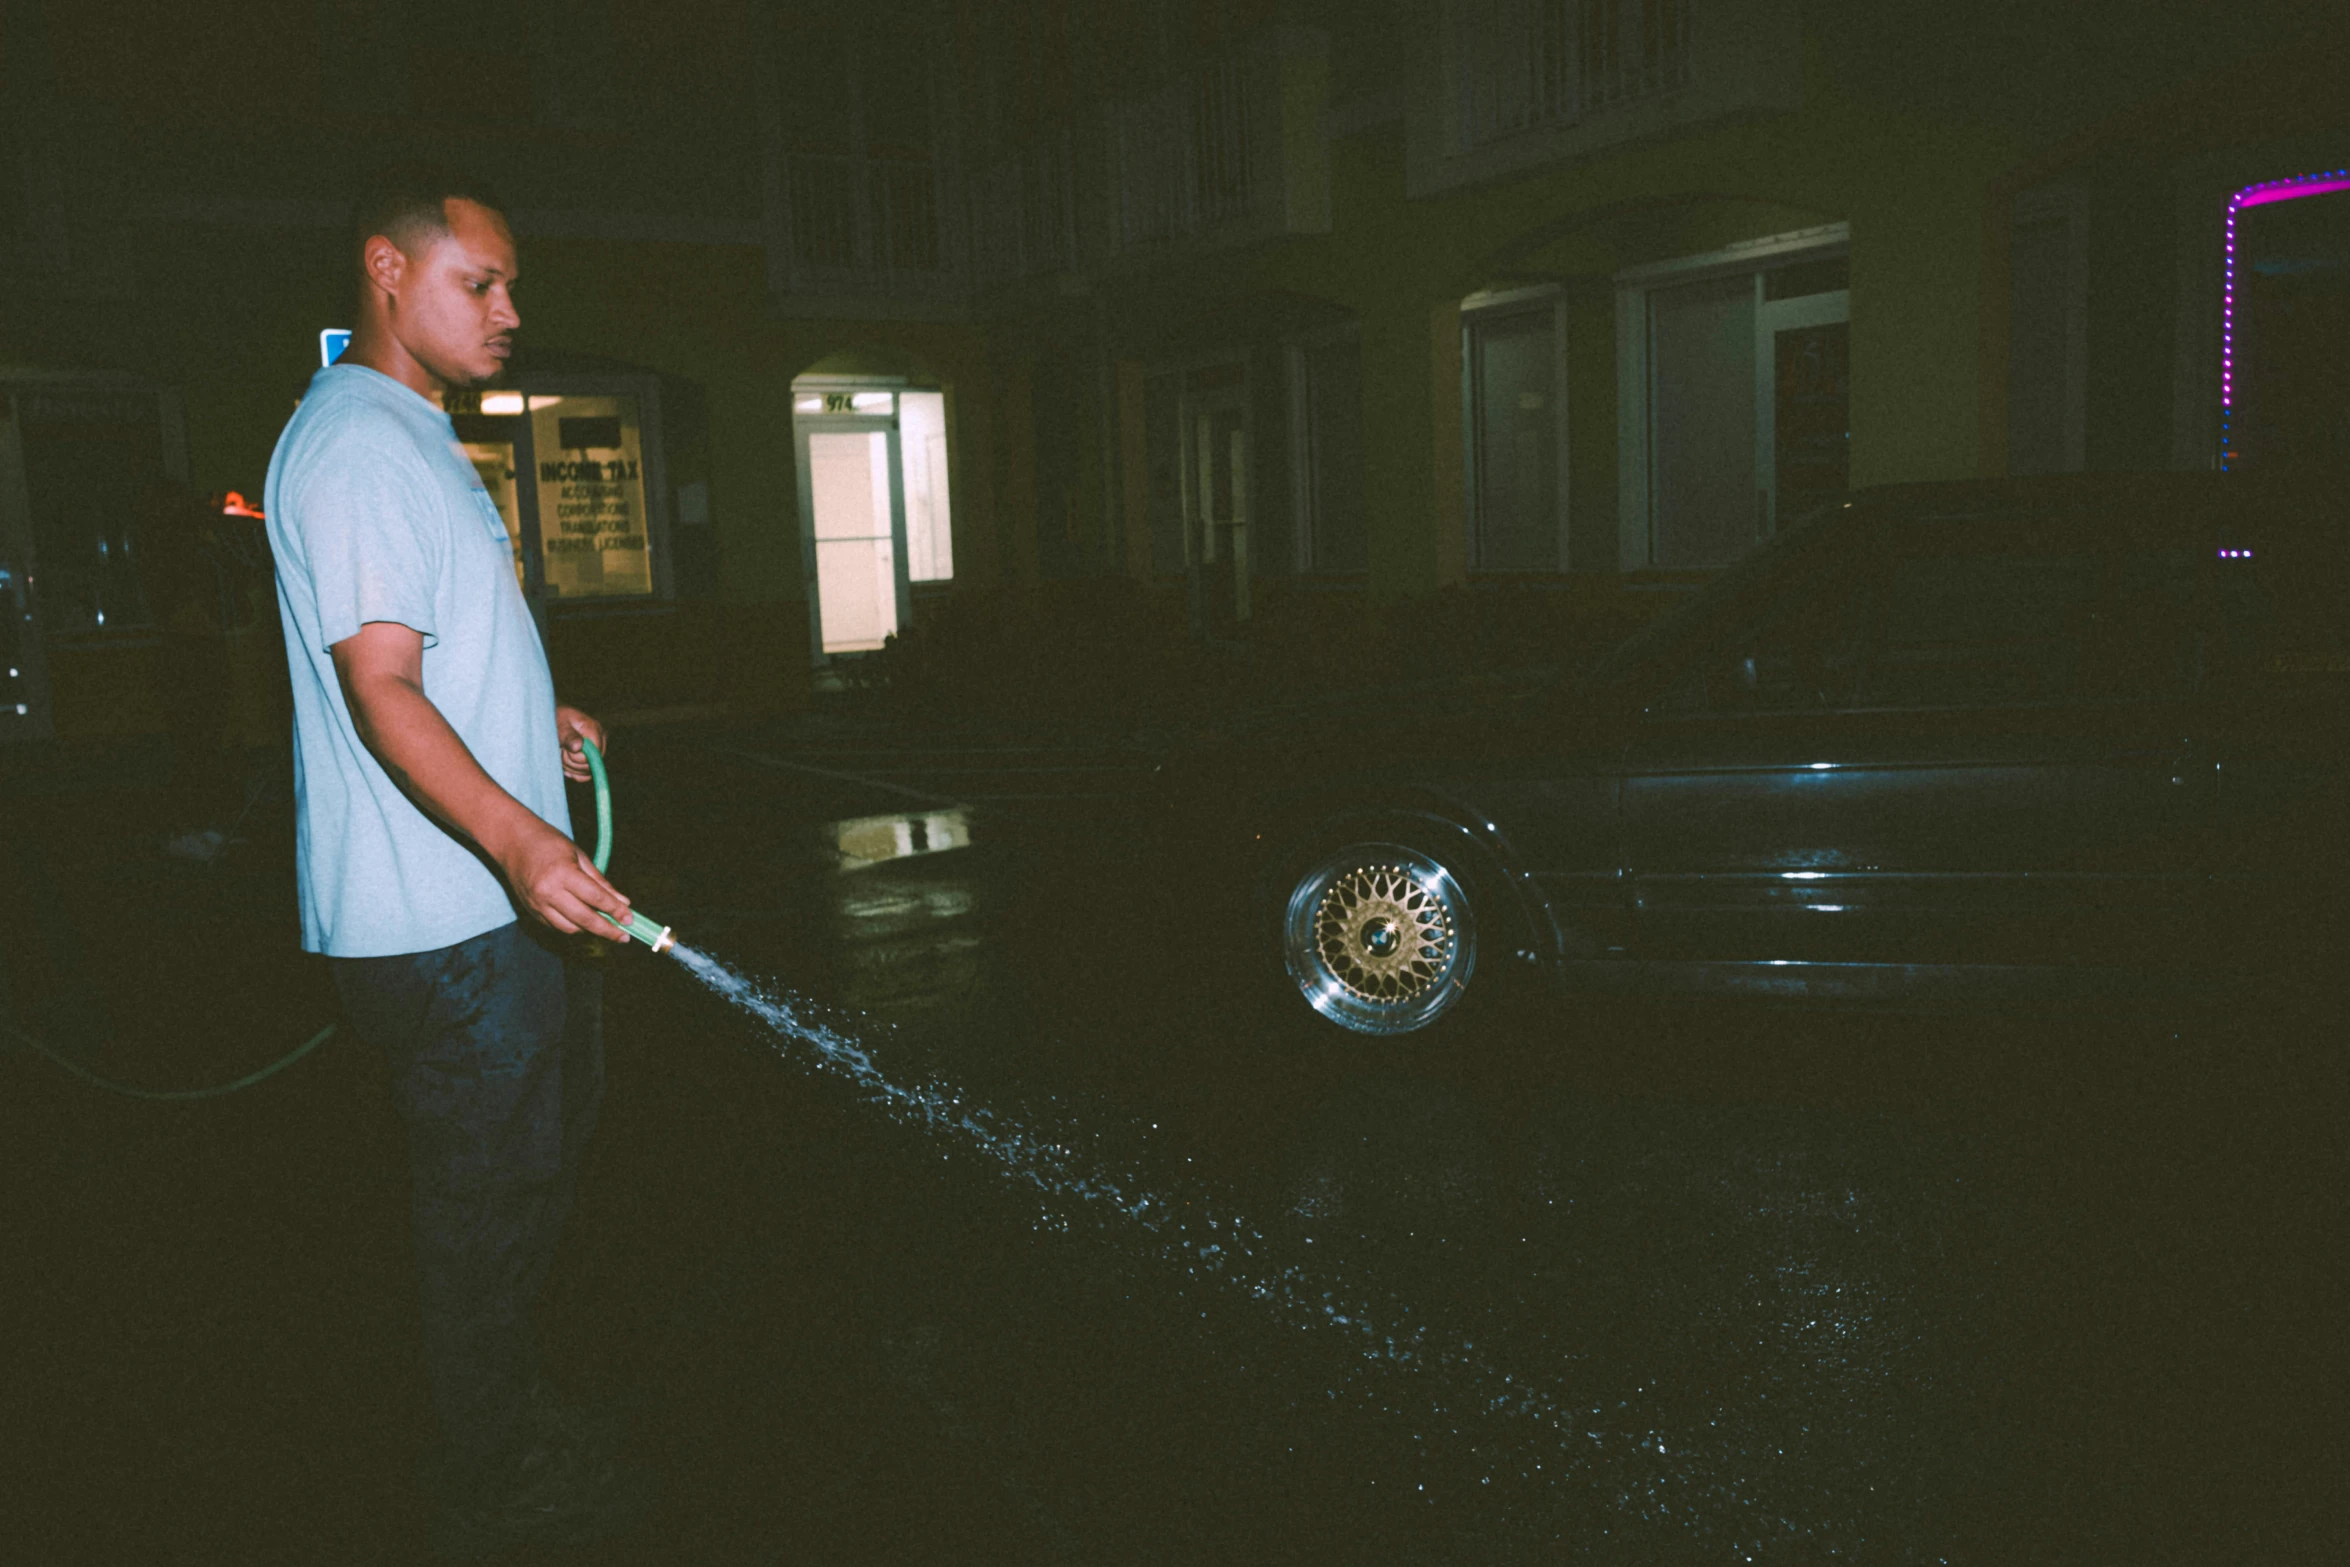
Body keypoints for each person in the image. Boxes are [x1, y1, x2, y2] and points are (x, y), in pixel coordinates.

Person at [262, 164, 652, 1556]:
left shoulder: (415, 433)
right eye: (477, 283)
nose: (509, 311)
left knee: (529, 1177)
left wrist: (523, 710)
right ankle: (489, 1476)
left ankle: (510, 1415)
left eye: (510, 286)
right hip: (447, 921)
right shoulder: (361, 442)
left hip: (479, 907)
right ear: (386, 269)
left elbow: (430, 659)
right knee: (487, 1209)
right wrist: (520, 838)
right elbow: (380, 688)